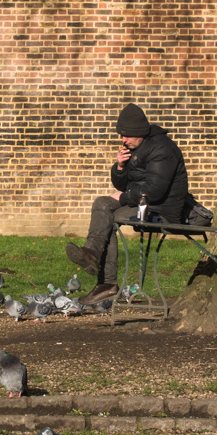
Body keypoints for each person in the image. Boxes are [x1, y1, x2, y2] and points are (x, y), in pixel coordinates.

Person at [67, 104, 190, 304]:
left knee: (110, 217)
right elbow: (123, 184)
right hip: (143, 204)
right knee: (102, 203)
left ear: (140, 132)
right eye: (121, 135)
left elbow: (155, 190)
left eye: (127, 135)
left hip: (163, 209)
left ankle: (107, 283)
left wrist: (124, 198)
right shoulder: (136, 147)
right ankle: (92, 253)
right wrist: (120, 167)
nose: (123, 139)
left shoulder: (162, 148)